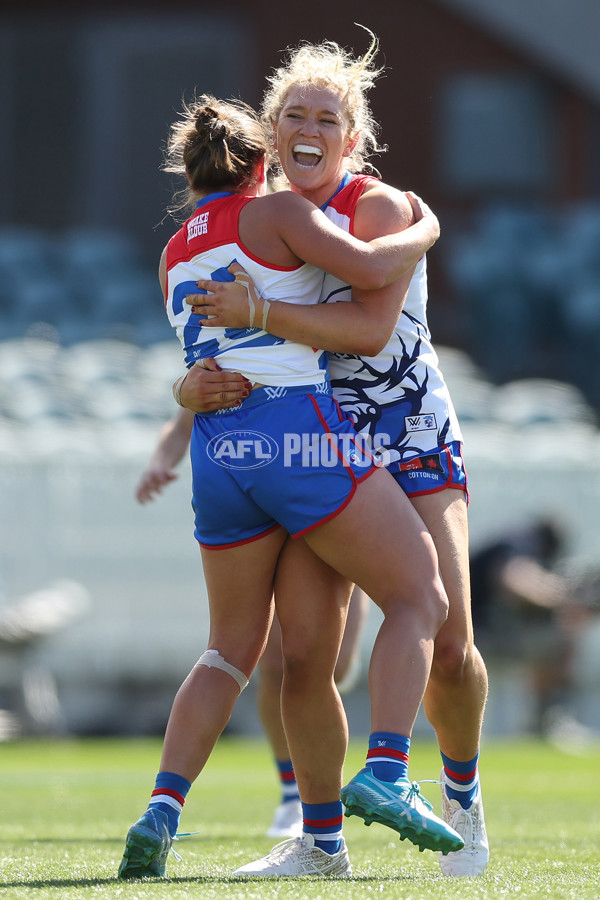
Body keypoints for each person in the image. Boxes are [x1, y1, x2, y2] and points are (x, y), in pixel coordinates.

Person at [117, 92, 462, 881]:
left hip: (218, 451)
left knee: (231, 651)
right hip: (295, 434)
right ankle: (386, 767)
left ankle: (162, 809)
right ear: (260, 159)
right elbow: (376, 271)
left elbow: (200, 360)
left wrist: (182, 394)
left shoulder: (172, 251)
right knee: (422, 598)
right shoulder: (273, 213)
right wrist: (427, 223)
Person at [135, 406, 368, 838]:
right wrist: (161, 461)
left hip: (319, 491)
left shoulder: (326, 351)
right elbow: (187, 411)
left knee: (322, 667)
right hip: (277, 492)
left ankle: (166, 806)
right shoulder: (239, 354)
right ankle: (294, 796)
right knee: (277, 663)